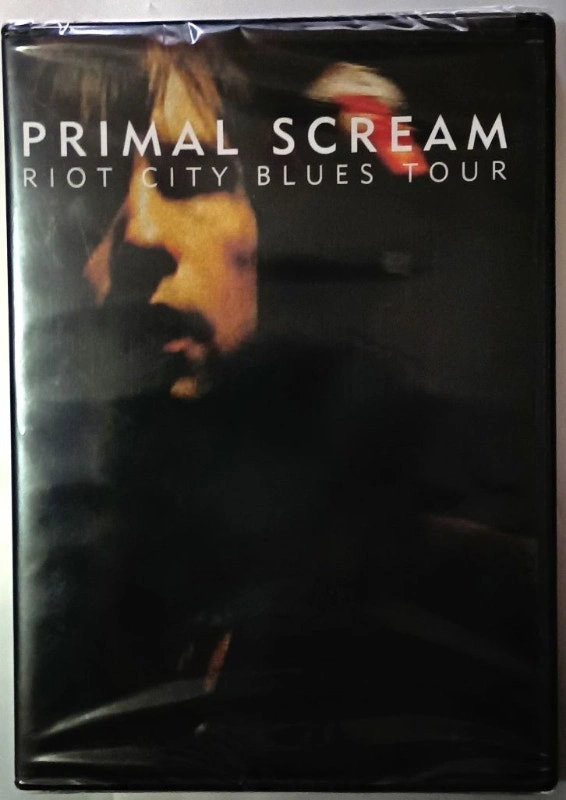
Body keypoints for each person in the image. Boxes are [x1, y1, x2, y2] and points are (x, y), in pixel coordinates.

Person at [20, 32, 543, 787]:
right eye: (94, 187)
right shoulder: (49, 570)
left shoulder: (468, 564)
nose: (142, 232)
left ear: (262, 226)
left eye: (192, 175)